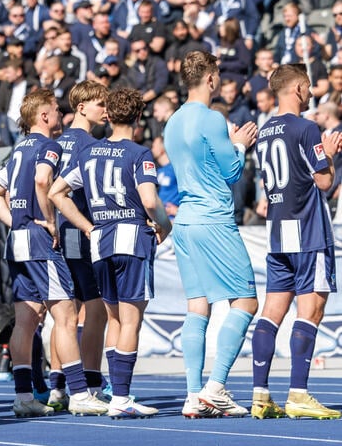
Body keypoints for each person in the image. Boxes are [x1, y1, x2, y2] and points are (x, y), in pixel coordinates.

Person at [0, 89, 110, 417]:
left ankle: (23, 396)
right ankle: (78, 392)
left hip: (18, 241)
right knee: (66, 316)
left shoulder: (18, 149)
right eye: (56, 110)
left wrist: (16, 221)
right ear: (44, 116)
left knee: (26, 320)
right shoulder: (48, 145)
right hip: (40, 241)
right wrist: (50, 222)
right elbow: (42, 181)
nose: (60, 115)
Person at [51, 87, 173, 418]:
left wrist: (88, 226)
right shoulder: (139, 153)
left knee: (114, 318)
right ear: (138, 117)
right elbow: (148, 200)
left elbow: (56, 192)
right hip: (131, 239)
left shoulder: (89, 153)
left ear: (109, 115)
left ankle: (113, 393)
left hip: (101, 242)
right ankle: (120, 397)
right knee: (131, 320)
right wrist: (164, 225)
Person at [162, 51, 259, 418]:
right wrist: (239, 143)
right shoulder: (212, 118)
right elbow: (232, 172)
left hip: (185, 221)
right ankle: (216, 387)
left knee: (198, 305)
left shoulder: (172, 121)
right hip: (213, 218)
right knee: (246, 302)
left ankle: (192, 394)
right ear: (210, 78)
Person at [251, 64, 342, 420]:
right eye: (308, 88)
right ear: (298, 88)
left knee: (272, 311)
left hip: (278, 231)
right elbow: (324, 182)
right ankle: (298, 394)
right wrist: (330, 153)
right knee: (311, 311)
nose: (310, 94)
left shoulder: (264, 130)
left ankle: (260, 394)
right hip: (307, 230)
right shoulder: (305, 127)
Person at [49, 81, 109, 404]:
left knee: (65, 312)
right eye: (101, 104)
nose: (106, 110)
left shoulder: (56, 142)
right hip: (81, 230)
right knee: (95, 308)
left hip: (60, 231)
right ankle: (90, 382)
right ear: (82, 108)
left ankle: (57, 385)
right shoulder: (90, 145)